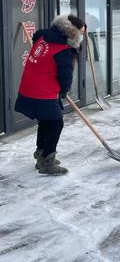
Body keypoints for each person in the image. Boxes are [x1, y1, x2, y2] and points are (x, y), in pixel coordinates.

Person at [15, 14, 86, 175]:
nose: (82, 36)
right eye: (81, 32)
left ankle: (41, 154)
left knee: (46, 121)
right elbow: (65, 75)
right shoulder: (64, 50)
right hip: (43, 91)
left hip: (29, 86)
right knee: (55, 124)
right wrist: (63, 90)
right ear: (73, 32)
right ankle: (47, 161)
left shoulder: (43, 36)